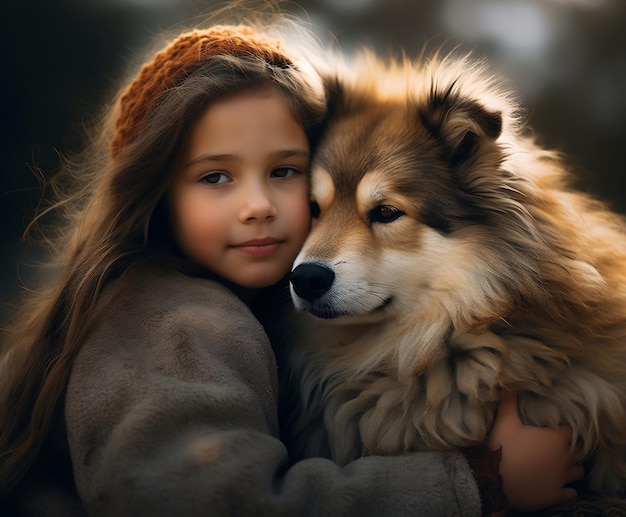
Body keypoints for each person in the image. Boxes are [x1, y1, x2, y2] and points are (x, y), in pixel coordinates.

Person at [0, 14, 582, 517]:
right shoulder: (170, 320)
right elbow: (205, 502)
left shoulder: (231, 300)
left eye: (284, 173)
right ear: (155, 195)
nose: (258, 207)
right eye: (215, 177)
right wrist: (480, 485)